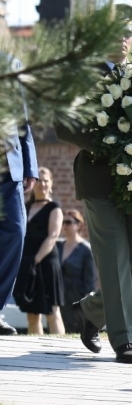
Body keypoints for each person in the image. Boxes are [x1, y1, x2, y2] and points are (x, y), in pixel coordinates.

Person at [55, 4, 132, 364]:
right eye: (117, 33)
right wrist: (106, 144)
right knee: (113, 259)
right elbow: (62, 122)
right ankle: (124, 340)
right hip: (99, 179)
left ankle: (91, 312)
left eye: (129, 33)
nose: (125, 40)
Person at [0, 54, 38, 336]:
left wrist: (30, 166)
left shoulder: (12, 64)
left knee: (16, 232)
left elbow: (23, 123)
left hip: (9, 171)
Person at [13, 166, 66, 335]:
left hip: (46, 262)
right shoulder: (25, 206)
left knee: (52, 312)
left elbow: (53, 236)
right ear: (32, 183)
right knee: (32, 314)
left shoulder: (54, 207)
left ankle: (59, 351)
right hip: (28, 263)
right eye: (39, 180)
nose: (42, 184)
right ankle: (36, 356)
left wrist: (35, 260)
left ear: (51, 184)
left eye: (46, 181)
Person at [56, 209, 97, 334]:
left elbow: (90, 278)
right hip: (59, 297)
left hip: (76, 298)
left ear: (78, 225)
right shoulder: (58, 246)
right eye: (63, 222)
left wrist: (87, 303)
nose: (65, 226)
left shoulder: (85, 249)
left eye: (68, 222)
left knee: (75, 331)